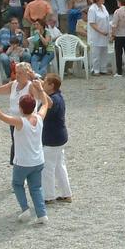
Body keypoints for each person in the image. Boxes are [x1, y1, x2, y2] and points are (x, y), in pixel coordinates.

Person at [0, 81, 52, 225]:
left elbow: (0, 115)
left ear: (20, 108)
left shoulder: (19, 122)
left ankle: (25, 209)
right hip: (38, 160)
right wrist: (40, 89)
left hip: (23, 162)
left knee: (17, 184)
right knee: (36, 187)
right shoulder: (39, 118)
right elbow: (44, 104)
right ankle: (41, 214)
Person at [39, 73, 71, 204]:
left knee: (48, 168)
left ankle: (49, 196)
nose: (43, 84)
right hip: (59, 137)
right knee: (59, 167)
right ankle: (66, 193)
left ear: (51, 86)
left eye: (45, 82)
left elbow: (49, 103)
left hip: (52, 139)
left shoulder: (55, 99)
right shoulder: (57, 95)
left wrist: (39, 90)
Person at [86, 0, 111, 76]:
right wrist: (101, 31)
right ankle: (95, 70)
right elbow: (92, 23)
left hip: (105, 34)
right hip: (96, 35)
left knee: (104, 52)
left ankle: (103, 69)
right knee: (96, 53)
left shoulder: (103, 7)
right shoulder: (92, 9)